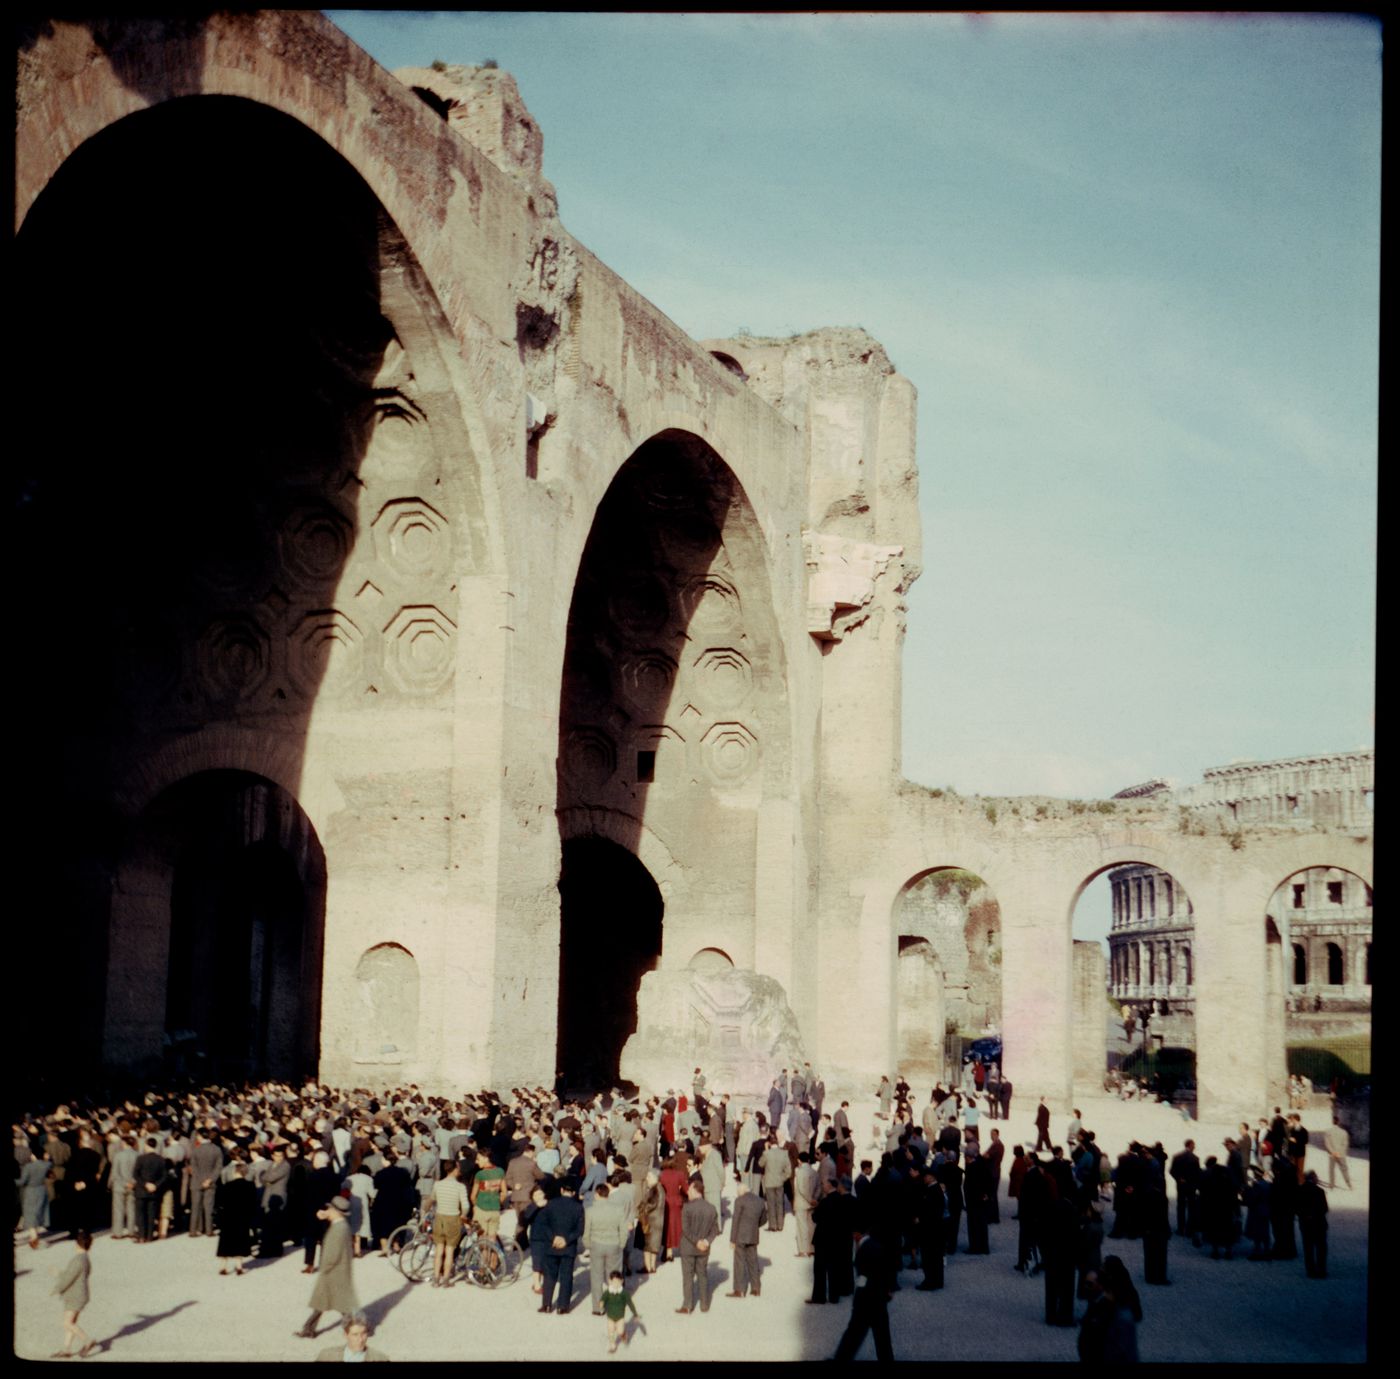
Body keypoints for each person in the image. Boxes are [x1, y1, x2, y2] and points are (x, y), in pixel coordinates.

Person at [295, 1194, 358, 1338]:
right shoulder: (341, 1225)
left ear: (336, 1211)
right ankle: (308, 1329)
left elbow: (333, 1253)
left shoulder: (338, 1229)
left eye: (329, 1209)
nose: (327, 1210)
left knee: (340, 1305)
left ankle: (357, 1328)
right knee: (324, 1303)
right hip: (336, 1271)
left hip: (334, 1272)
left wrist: (325, 1268)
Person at [832, 1231, 893, 1362]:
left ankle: (841, 1358)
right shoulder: (875, 1245)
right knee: (881, 1335)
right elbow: (886, 1269)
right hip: (879, 1296)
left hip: (866, 1298)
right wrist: (887, 1289)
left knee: (854, 1332)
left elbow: (863, 1276)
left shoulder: (864, 1249)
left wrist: (858, 1297)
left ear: (857, 1235)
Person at [539, 1179, 585, 1314]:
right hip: (568, 1246)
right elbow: (580, 1229)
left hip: (551, 1245)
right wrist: (566, 1239)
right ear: (574, 1192)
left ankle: (546, 1304)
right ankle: (562, 1306)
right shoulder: (578, 1207)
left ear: (561, 1190)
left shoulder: (551, 1204)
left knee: (549, 1276)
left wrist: (553, 1237)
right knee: (566, 1276)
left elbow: (544, 1224)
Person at [583, 1183, 629, 1314]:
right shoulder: (618, 1209)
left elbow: (587, 1231)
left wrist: (587, 1244)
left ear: (597, 1194)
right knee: (614, 1276)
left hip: (596, 1244)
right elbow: (623, 1230)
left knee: (596, 1277)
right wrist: (622, 1244)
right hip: (614, 1244)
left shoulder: (590, 1210)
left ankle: (598, 1307)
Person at [676, 1178, 720, 1314]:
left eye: (689, 1189)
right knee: (702, 1275)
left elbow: (686, 1229)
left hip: (688, 1247)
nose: (687, 1191)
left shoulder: (687, 1207)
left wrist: (697, 1242)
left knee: (688, 1277)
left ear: (696, 1190)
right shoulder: (711, 1208)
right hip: (704, 1249)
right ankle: (704, 1305)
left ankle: (687, 1305)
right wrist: (706, 1241)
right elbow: (715, 1229)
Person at [51, 1228, 96, 1359]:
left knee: (67, 1323)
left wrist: (57, 1288)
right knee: (71, 1322)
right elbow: (74, 1275)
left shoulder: (78, 1260)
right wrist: (59, 1273)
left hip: (75, 1296)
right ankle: (66, 1349)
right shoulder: (85, 1259)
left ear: (77, 1244)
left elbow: (68, 1278)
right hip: (81, 1295)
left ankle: (87, 1341)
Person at [430, 1158, 469, 1288]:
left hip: (439, 1218)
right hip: (453, 1219)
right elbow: (465, 1205)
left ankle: (436, 1278)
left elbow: (432, 1199)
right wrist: (464, 1215)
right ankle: (446, 1279)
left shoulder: (437, 1184)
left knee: (439, 1249)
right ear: (454, 1170)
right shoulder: (460, 1187)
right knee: (450, 1251)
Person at [215, 1161, 258, 1275]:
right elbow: (253, 1203)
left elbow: (220, 1201)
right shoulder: (250, 1186)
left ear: (235, 1172)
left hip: (228, 1216)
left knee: (225, 1241)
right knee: (240, 1240)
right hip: (242, 1217)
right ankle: (239, 1266)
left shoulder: (228, 1186)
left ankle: (223, 1266)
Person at [726, 1178, 767, 1297]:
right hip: (753, 1235)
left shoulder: (739, 1200)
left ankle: (739, 1290)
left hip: (740, 1236)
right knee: (753, 1261)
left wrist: (732, 1239)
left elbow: (736, 1220)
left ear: (741, 1191)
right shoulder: (760, 1201)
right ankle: (756, 1288)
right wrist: (755, 1226)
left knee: (739, 1262)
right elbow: (764, 1219)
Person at [315, 1314, 388, 1363]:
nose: (360, 1339)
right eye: (355, 1335)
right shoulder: (326, 1356)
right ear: (345, 1335)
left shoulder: (380, 1358)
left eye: (363, 1333)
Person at [1297, 1172, 1329, 1279]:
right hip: (1319, 1224)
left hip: (1306, 1225)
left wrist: (1306, 1216)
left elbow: (1297, 1208)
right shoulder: (1319, 1191)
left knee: (1308, 1249)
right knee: (1321, 1248)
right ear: (1313, 1179)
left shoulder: (1300, 1190)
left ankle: (1310, 1271)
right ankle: (1321, 1270)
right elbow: (1324, 1209)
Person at [601, 1270, 639, 1354]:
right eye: (614, 1282)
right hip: (610, 1316)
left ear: (622, 1281)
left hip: (620, 1316)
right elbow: (603, 1299)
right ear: (609, 1281)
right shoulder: (607, 1292)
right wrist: (601, 1304)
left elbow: (630, 1303)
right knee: (610, 1330)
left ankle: (623, 1335)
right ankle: (612, 1345)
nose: (616, 1284)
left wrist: (635, 1314)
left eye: (618, 1282)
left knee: (620, 1331)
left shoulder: (624, 1293)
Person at [759, 1136, 791, 1233]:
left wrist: (766, 1149)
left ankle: (773, 1225)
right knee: (780, 1203)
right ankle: (780, 1225)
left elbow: (760, 1164)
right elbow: (789, 1171)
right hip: (779, 1181)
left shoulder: (766, 1153)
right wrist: (783, 1178)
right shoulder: (784, 1153)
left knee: (771, 1203)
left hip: (769, 1182)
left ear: (769, 1143)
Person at [1325, 1117, 1352, 1190]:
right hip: (1341, 1154)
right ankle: (1349, 1184)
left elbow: (1327, 1143)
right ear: (1339, 1122)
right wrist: (1339, 1152)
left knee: (1331, 1170)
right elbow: (1345, 1144)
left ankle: (1331, 1186)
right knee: (1344, 1169)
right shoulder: (1344, 1132)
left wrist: (1332, 1152)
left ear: (1332, 1122)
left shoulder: (1328, 1132)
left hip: (1332, 1154)